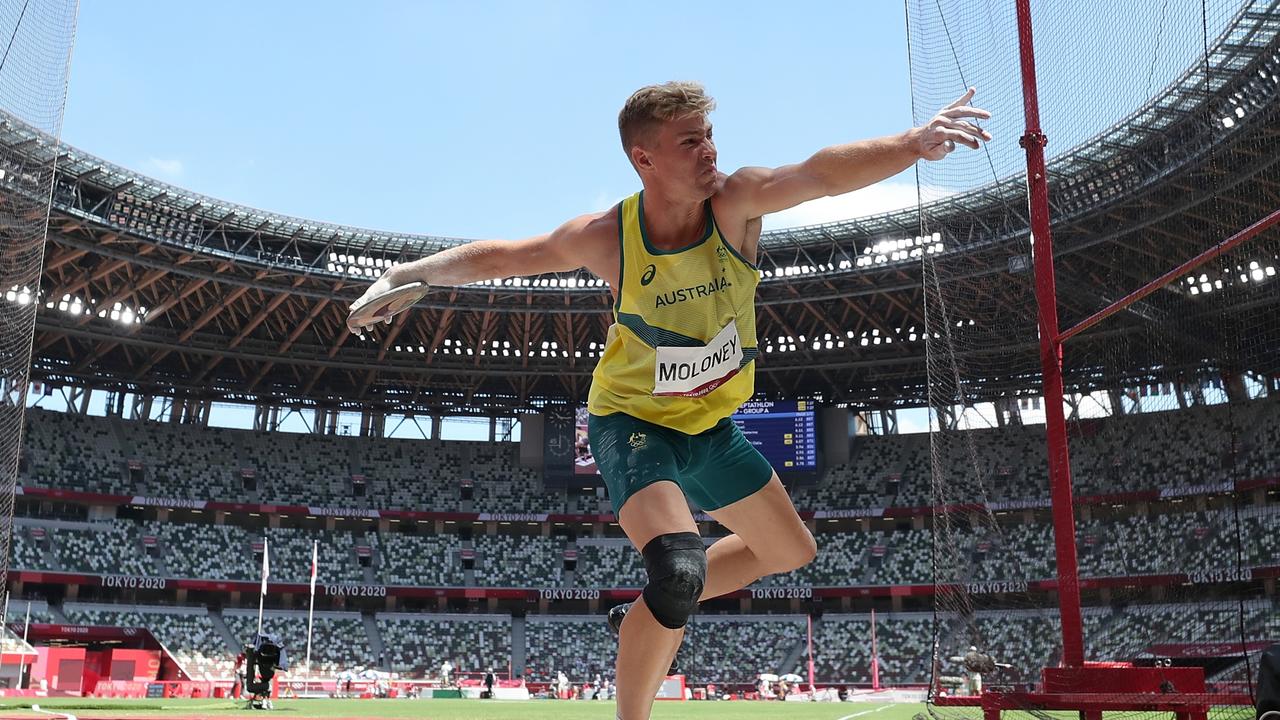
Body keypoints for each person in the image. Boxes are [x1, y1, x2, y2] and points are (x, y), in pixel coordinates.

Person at [349, 81, 989, 719]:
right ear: (644, 159)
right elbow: (514, 256)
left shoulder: (736, 203)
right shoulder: (611, 236)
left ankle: (645, 610)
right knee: (680, 569)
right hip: (633, 422)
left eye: (709, 136)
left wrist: (911, 144)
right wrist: (413, 274)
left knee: (791, 552)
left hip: (711, 427)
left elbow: (818, 173)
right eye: (690, 142)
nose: (709, 151)